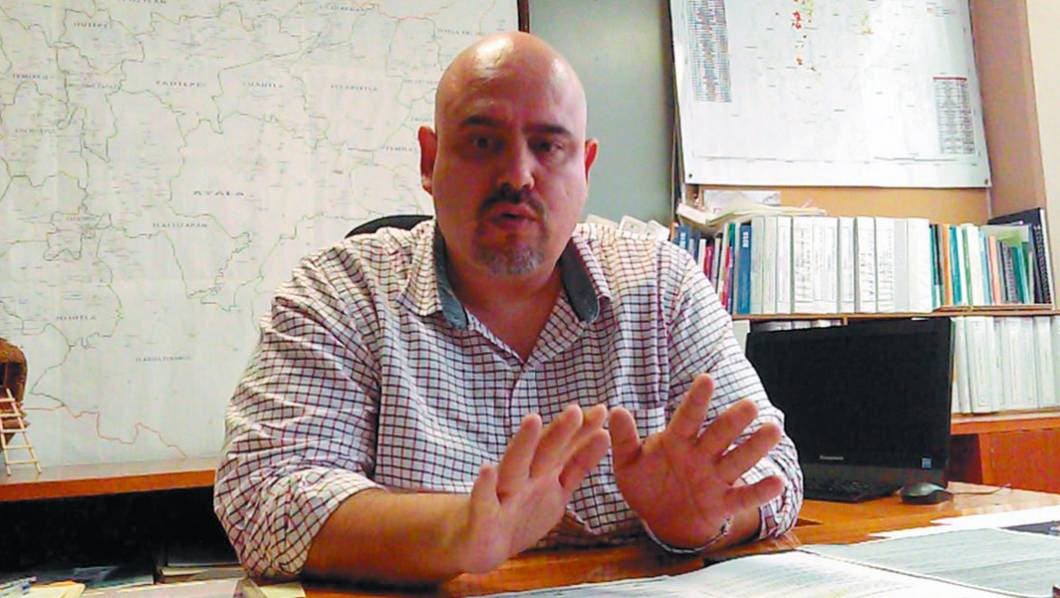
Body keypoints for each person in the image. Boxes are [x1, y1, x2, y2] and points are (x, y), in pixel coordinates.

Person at [214, 31, 802, 584]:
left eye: (547, 146)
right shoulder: (340, 292)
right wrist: (455, 532)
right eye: (483, 143)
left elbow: (773, 469)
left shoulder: (662, 286)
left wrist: (700, 521)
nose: (518, 175)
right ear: (429, 160)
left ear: (585, 168)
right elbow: (262, 496)